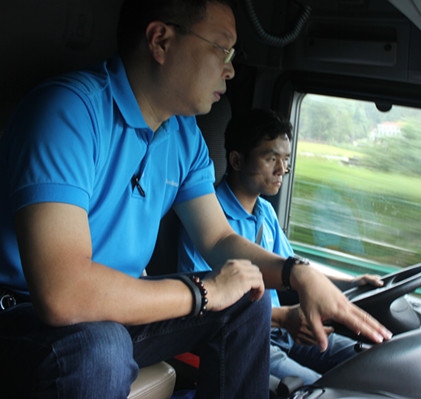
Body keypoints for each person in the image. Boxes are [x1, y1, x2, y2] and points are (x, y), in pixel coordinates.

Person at [0, 0, 392, 398]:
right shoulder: (69, 112)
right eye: (222, 49)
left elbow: (219, 241)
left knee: (248, 294)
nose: (231, 69)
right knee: (101, 346)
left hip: (114, 309)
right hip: (24, 314)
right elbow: (62, 293)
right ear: (161, 41)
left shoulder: (183, 136)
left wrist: (297, 272)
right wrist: (203, 291)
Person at [179, 108, 384, 385]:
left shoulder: (265, 212)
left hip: (284, 331)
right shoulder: (206, 219)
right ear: (237, 160)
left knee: (375, 361)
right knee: (327, 388)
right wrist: (285, 318)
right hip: (245, 337)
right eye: (271, 158)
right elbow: (206, 305)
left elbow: (293, 266)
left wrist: (351, 281)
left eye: (286, 160)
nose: (282, 170)